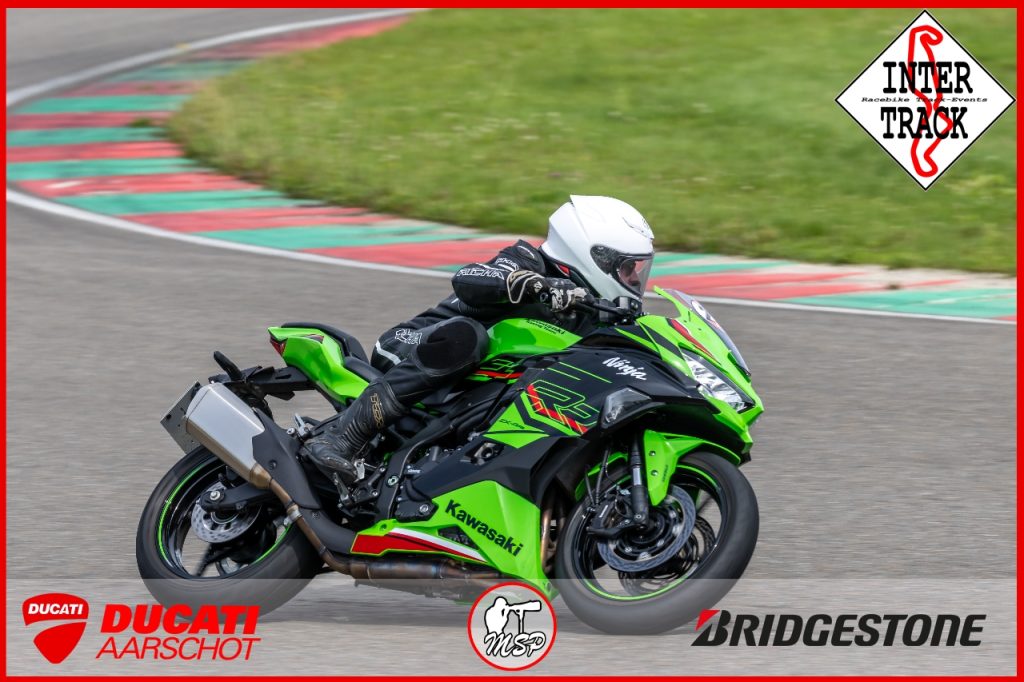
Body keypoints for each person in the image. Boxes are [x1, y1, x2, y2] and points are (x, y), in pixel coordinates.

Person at [303, 195, 655, 486]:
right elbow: (468, 279)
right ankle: (341, 436)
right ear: (593, 255)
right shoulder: (526, 260)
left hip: (480, 393)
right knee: (467, 337)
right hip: (411, 347)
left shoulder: (596, 313)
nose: (633, 280)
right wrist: (531, 283)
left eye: (637, 270)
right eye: (627, 268)